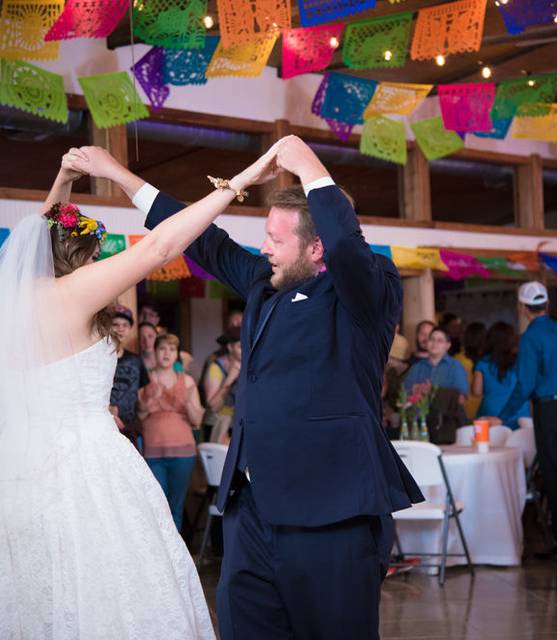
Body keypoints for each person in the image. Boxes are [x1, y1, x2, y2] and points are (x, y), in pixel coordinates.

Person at [0, 142, 284, 638]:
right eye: (97, 254)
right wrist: (235, 185)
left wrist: (65, 177)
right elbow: (160, 246)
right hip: (84, 464)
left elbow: (44, 228)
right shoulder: (76, 290)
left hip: (13, 469)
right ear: (84, 256)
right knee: (102, 588)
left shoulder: (13, 302)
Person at [80, 135, 423, 639]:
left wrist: (309, 166)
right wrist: (119, 174)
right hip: (253, 513)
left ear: (317, 245)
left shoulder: (367, 292)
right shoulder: (267, 282)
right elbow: (203, 240)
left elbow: (350, 248)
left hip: (332, 512)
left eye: (275, 239)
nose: (263, 248)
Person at [499, 281, 557, 560]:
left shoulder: (530, 338)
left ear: (523, 308)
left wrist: (504, 414)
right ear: (547, 305)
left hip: (548, 411)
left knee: (554, 474)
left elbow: (525, 383)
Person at [138, 334, 204, 531]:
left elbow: (197, 420)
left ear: (177, 354)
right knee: (156, 507)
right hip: (153, 452)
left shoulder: (188, 381)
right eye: (162, 349)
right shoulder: (145, 378)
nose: (167, 353)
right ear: (155, 352)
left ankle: (175, 559)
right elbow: (139, 415)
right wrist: (148, 401)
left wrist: (186, 403)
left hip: (183, 452)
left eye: (171, 349)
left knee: (175, 507)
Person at [473, 322, 529, 428]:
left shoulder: (483, 363)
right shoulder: (521, 361)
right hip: (519, 414)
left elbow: (476, 392)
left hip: (491, 414)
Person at [108, 304, 149, 444]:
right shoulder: (101, 359)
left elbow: (142, 395)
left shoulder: (136, 360)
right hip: (105, 425)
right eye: (115, 324)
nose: (120, 328)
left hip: (130, 426)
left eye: (125, 325)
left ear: (130, 329)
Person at [201, 327, 242, 444]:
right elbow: (213, 406)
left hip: (240, 425)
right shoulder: (216, 368)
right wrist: (230, 379)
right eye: (240, 347)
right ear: (230, 347)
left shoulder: (248, 367)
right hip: (217, 425)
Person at [404, 327, 469, 400]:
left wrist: (434, 391)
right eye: (432, 339)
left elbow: (461, 398)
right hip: (417, 410)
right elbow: (404, 391)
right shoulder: (418, 366)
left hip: (445, 411)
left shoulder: (455, 366)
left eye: (440, 340)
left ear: (448, 345)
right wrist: (415, 389)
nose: (434, 343)